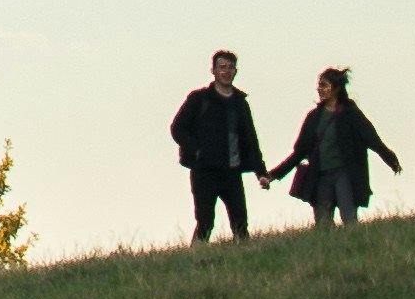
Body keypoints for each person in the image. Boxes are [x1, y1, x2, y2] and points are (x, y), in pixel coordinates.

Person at [276, 65, 400, 226]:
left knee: (349, 218)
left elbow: (372, 139)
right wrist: (273, 175)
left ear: (336, 89)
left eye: (324, 85)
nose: (319, 89)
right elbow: (299, 152)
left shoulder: (351, 113)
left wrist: (391, 160)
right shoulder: (313, 117)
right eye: (319, 85)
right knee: (323, 223)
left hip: (344, 173)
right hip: (320, 176)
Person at [169, 48, 263, 242]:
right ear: (213, 70)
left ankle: (246, 260)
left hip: (232, 172)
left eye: (230, 67)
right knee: (205, 222)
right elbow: (178, 128)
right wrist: (196, 150)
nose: (226, 71)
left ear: (236, 71)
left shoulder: (240, 103)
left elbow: (250, 139)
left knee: (240, 224)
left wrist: (260, 171)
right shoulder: (199, 99)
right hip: (204, 171)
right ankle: (195, 260)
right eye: (222, 67)